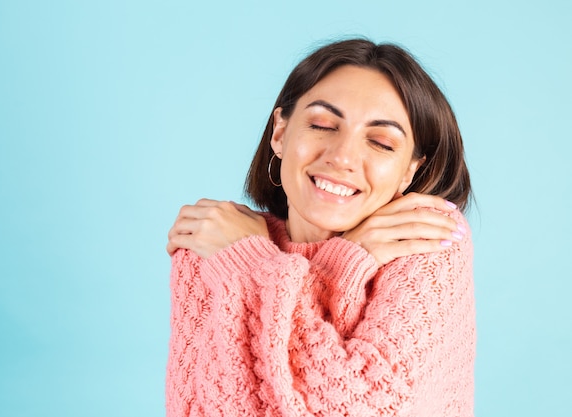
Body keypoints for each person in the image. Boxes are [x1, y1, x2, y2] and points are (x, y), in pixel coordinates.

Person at [166, 38, 475, 416]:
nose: (343, 156)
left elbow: (367, 407)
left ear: (409, 171)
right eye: (322, 124)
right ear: (280, 133)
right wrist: (342, 263)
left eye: (380, 142)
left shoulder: (426, 237)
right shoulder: (212, 240)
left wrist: (249, 262)